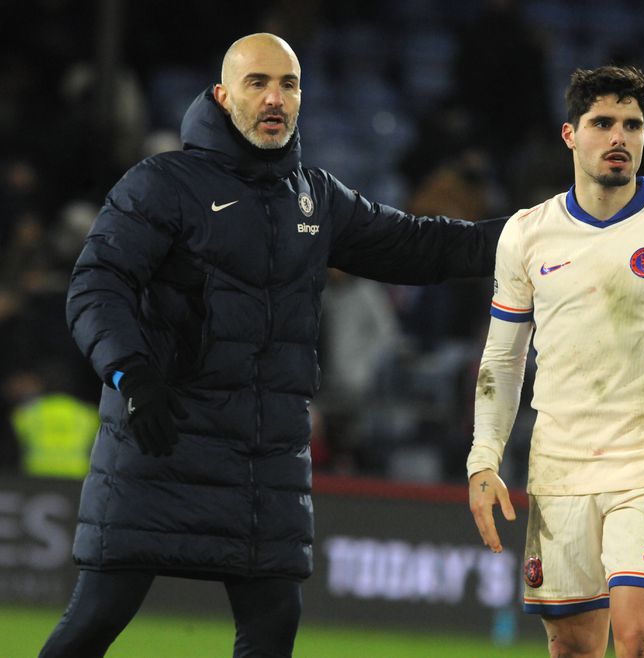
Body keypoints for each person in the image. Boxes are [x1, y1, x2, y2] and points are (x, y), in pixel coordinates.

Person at [40, 33, 503, 658]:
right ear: (223, 95)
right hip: (167, 437)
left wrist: (540, 232)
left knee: (274, 624)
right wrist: (131, 374)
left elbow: (422, 246)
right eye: (258, 82)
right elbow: (97, 284)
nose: (275, 98)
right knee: (97, 618)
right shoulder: (163, 183)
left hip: (265, 463)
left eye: (288, 84)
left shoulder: (314, 195)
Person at [466, 66, 644, 658]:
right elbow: (503, 356)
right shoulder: (526, 233)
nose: (618, 136)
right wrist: (482, 458)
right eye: (602, 123)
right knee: (572, 648)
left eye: (632, 124)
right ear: (570, 134)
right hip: (559, 462)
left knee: (639, 637)